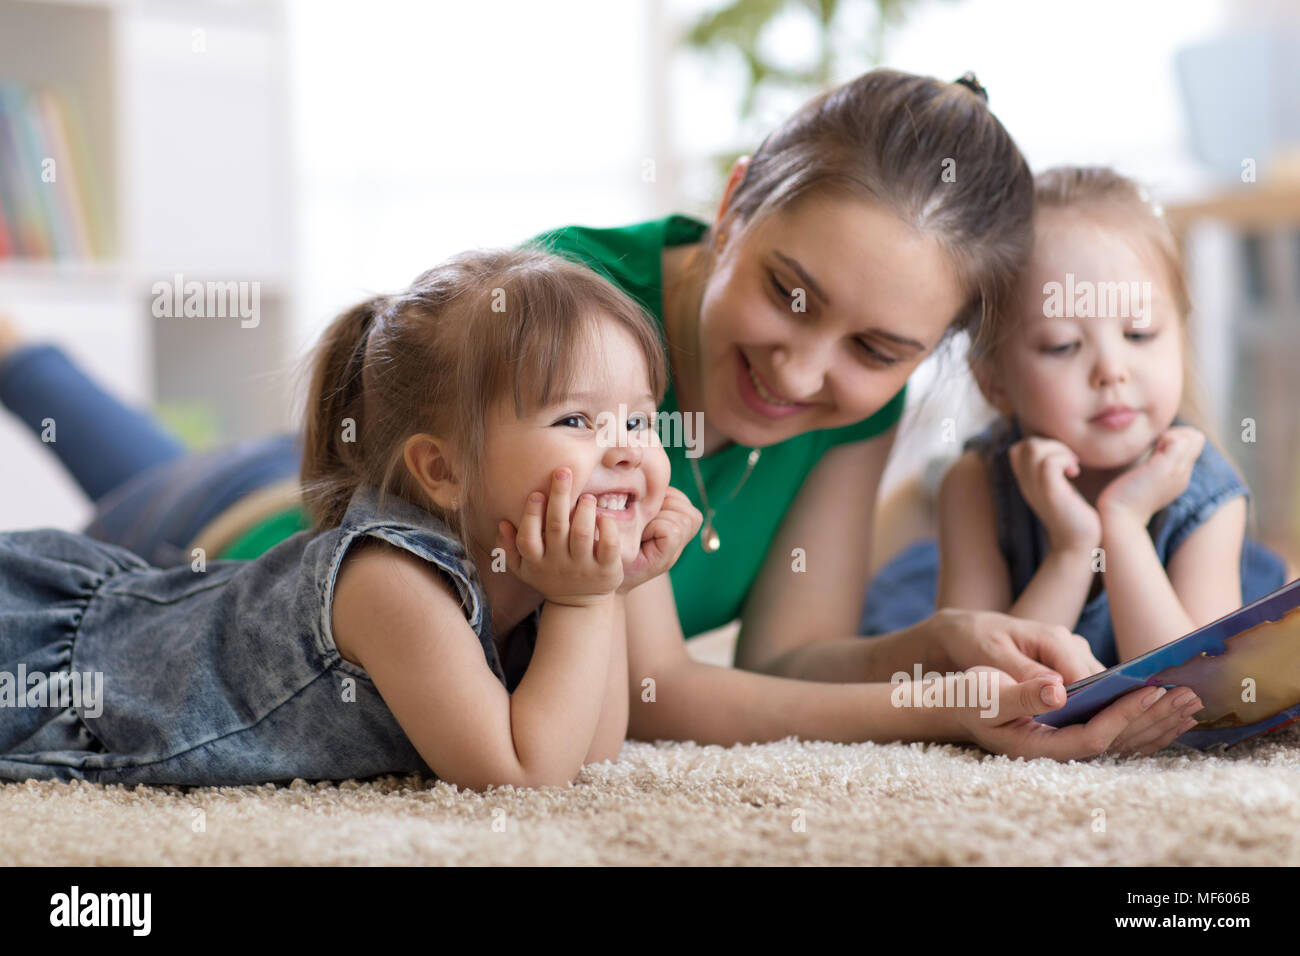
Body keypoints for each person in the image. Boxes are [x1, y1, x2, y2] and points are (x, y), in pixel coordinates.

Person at [0, 72, 1202, 757]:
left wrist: (931, 649)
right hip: (250, 553)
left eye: (876, 348)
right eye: (789, 291)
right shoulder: (576, 321)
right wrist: (937, 716)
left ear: (925, 350)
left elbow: (786, 661)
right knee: (134, 525)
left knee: (146, 451)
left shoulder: (849, 399)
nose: (800, 366)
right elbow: (649, 693)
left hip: (302, 508)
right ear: (732, 204)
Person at [0, 248, 701, 789]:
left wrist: (607, 591)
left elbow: (587, 753)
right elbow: (521, 775)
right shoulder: (392, 580)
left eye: (639, 418)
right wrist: (584, 599)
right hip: (45, 663)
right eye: (577, 419)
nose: (627, 448)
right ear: (443, 471)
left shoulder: (539, 570)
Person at [862, 166, 1288, 674]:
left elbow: (1195, 692)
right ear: (993, 380)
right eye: (1063, 346)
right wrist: (1073, 548)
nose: (1112, 370)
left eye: (1140, 334)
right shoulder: (974, 483)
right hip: (958, 585)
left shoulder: (1208, 495)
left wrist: (1125, 525)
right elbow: (983, 684)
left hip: (1204, 606)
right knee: (899, 612)